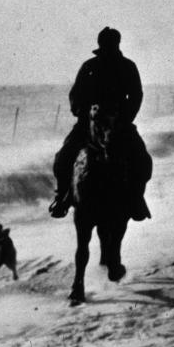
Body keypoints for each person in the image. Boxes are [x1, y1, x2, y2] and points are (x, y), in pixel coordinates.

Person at [48, 27, 150, 218]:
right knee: (63, 158)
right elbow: (75, 94)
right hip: (88, 124)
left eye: (110, 44)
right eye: (105, 43)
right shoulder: (89, 66)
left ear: (117, 44)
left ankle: (137, 198)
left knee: (142, 160)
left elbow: (136, 95)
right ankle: (62, 196)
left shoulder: (128, 66)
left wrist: (125, 119)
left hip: (119, 125)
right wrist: (79, 111)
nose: (107, 47)